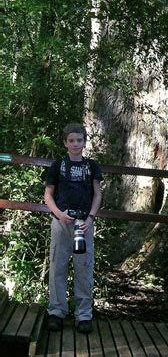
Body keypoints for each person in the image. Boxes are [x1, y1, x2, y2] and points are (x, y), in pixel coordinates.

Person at [44, 122, 102, 334]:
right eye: (71, 140)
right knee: (57, 266)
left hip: (83, 225)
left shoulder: (92, 166)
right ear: (65, 142)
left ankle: (84, 314)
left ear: (85, 142)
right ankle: (56, 312)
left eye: (79, 140)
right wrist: (58, 214)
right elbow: (48, 195)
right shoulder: (57, 165)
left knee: (84, 268)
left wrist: (91, 218)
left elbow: (97, 194)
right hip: (61, 223)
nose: (75, 144)